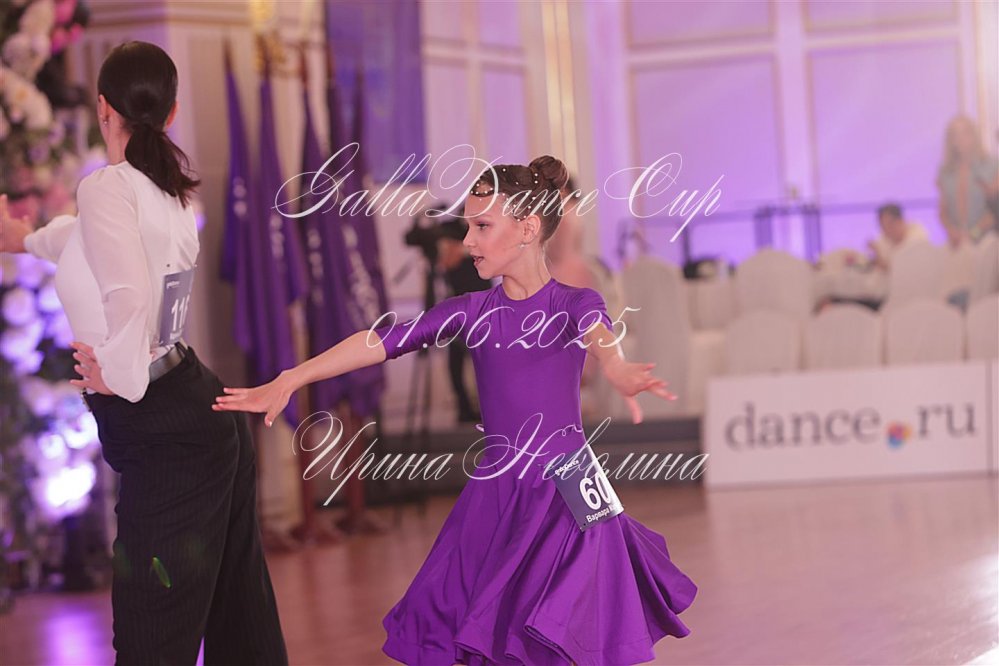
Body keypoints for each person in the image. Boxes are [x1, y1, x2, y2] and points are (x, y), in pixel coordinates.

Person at [213, 155, 698, 664]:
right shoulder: (473, 311)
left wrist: (616, 367)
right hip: (497, 493)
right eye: (468, 227)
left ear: (528, 228)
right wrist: (293, 377)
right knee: (486, 631)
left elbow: (599, 335)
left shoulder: (573, 303)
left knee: (561, 630)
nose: (467, 241)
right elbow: (380, 341)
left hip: (568, 488)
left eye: (482, 226)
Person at [0, 41, 287, 664]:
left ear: (103, 107)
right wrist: (25, 240)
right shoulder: (166, 190)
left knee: (152, 634)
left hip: (164, 423)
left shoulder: (109, 188)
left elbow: (129, 294)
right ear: (172, 112)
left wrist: (118, 376)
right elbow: (85, 240)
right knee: (237, 613)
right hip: (196, 408)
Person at [936, 116, 999, 247]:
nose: (960, 139)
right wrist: (952, 232)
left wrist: (973, 234)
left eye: (965, 133)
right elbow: (943, 211)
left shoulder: (992, 166)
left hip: (989, 241)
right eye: (955, 135)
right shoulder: (946, 172)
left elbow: (994, 211)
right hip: (958, 243)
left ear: (974, 135)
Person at [868, 202, 928, 270]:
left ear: (901, 221)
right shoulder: (884, 238)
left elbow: (901, 267)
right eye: (883, 226)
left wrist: (878, 254)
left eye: (890, 225)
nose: (886, 230)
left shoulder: (917, 235)